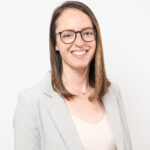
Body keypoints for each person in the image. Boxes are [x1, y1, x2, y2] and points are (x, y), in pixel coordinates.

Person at [13, 1, 132, 150]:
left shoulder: (113, 93)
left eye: (87, 33)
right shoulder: (31, 102)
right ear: (55, 43)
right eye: (68, 35)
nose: (80, 42)